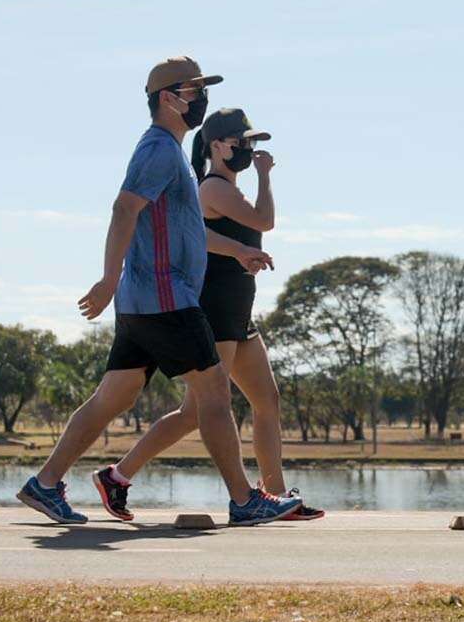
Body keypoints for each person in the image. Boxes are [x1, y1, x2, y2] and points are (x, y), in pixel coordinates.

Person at [16, 57, 302, 526]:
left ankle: (45, 483)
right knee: (213, 393)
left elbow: (182, 228)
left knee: (115, 396)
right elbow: (124, 208)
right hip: (165, 296)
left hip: (144, 299)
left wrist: (234, 251)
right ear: (168, 98)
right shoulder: (159, 150)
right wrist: (108, 278)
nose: (201, 100)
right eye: (194, 91)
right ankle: (244, 499)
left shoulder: (170, 153)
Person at [92, 108, 324, 522]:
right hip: (215, 309)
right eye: (242, 142)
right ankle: (118, 475)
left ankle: (274, 494)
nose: (249, 150)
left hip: (239, 311)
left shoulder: (225, 189)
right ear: (217, 145)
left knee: (266, 400)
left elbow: (214, 236)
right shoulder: (214, 187)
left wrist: (242, 253)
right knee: (194, 412)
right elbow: (264, 222)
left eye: (253, 143)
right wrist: (266, 177)